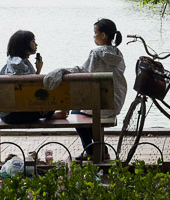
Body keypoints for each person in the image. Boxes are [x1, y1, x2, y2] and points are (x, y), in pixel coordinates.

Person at [44, 18, 127, 161]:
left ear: (103, 36)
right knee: (85, 114)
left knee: (76, 114)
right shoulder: (118, 54)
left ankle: (89, 151)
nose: (93, 36)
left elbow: (84, 72)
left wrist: (63, 70)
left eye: (95, 33)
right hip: (114, 103)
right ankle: (103, 151)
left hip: (100, 106)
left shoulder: (96, 53)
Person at [0, 30, 55, 124]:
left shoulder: (10, 62)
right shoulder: (20, 65)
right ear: (24, 45)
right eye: (33, 41)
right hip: (14, 115)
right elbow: (30, 91)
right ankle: (53, 116)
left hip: (3, 113)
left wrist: (38, 70)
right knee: (50, 108)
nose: (36, 44)